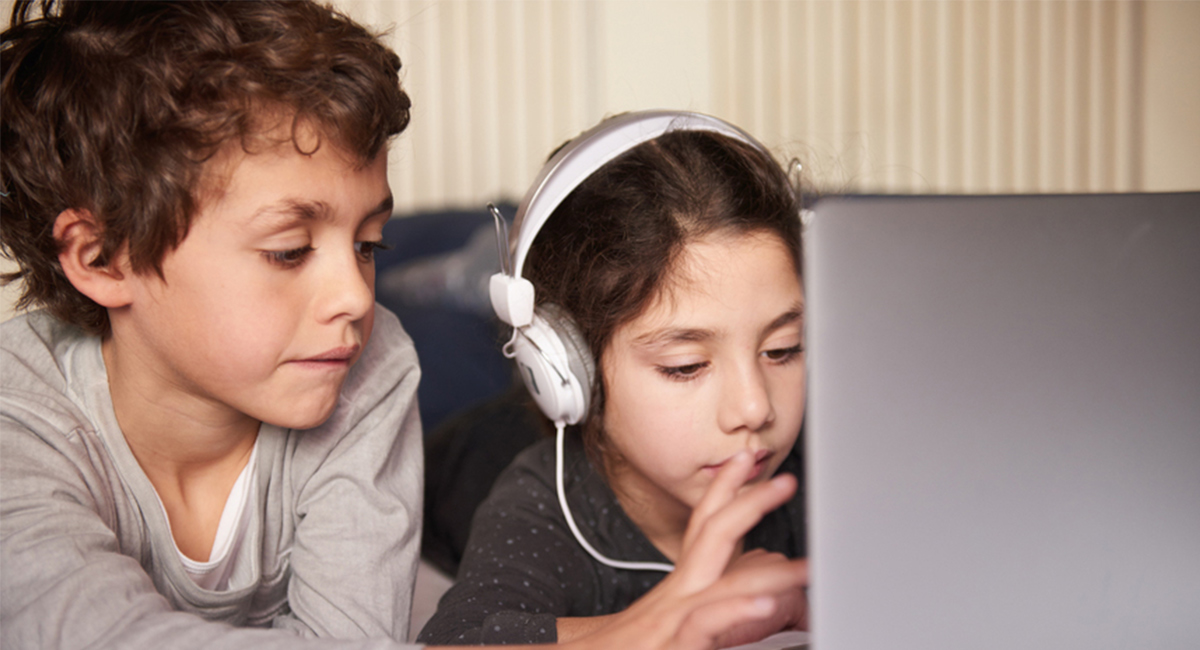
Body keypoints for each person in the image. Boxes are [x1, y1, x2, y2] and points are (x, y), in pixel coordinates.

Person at [0, 3, 805, 649]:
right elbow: (88, 631)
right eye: (287, 251)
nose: (354, 294)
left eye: (368, 244)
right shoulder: (19, 408)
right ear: (103, 255)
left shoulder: (371, 365)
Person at [419, 112, 810, 647]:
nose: (754, 408)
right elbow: (455, 640)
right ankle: (449, 276)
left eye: (783, 349)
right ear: (565, 370)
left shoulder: (824, 472)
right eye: (686, 366)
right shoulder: (545, 506)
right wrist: (679, 616)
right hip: (458, 460)